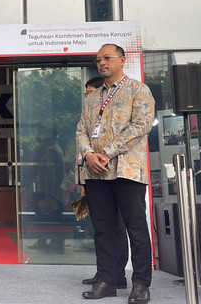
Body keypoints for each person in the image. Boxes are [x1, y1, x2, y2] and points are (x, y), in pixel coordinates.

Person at [76, 44, 154, 304]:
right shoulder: (92, 97)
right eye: (98, 59)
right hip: (96, 173)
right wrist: (88, 154)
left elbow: (140, 126)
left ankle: (141, 283)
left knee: (136, 228)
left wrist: (106, 152)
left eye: (107, 58)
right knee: (103, 228)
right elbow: (81, 130)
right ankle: (107, 280)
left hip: (127, 171)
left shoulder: (138, 90)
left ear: (122, 60)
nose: (101, 63)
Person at [79, 77, 129, 289]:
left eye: (92, 92)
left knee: (115, 227)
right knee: (97, 228)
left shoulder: (112, 116)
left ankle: (118, 275)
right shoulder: (87, 117)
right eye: (86, 93)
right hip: (89, 179)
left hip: (110, 176)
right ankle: (104, 272)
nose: (89, 97)